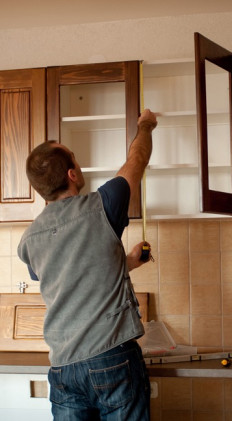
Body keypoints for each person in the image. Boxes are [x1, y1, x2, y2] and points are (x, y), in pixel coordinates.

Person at [17, 108, 158, 421]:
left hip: (64, 369)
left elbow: (72, 274)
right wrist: (146, 125)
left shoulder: (28, 241)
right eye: (74, 158)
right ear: (72, 175)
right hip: (112, 358)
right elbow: (137, 160)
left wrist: (129, 262)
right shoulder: (104, 204)